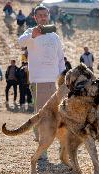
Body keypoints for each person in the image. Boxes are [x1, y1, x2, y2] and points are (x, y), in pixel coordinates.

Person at [18, 5, 65, 144]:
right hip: (38, 80)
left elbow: (60, 58)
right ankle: (41, 144)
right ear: (35, 17)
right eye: (40, 15)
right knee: (40, 113)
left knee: (58, 112)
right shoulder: (30, 32)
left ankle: (58, 140)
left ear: (48, 15)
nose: (43, 17)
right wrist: (33, 35)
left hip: (54, 81)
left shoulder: (55, 36)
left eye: (45, 15)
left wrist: (62, 77)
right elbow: (20, 42)